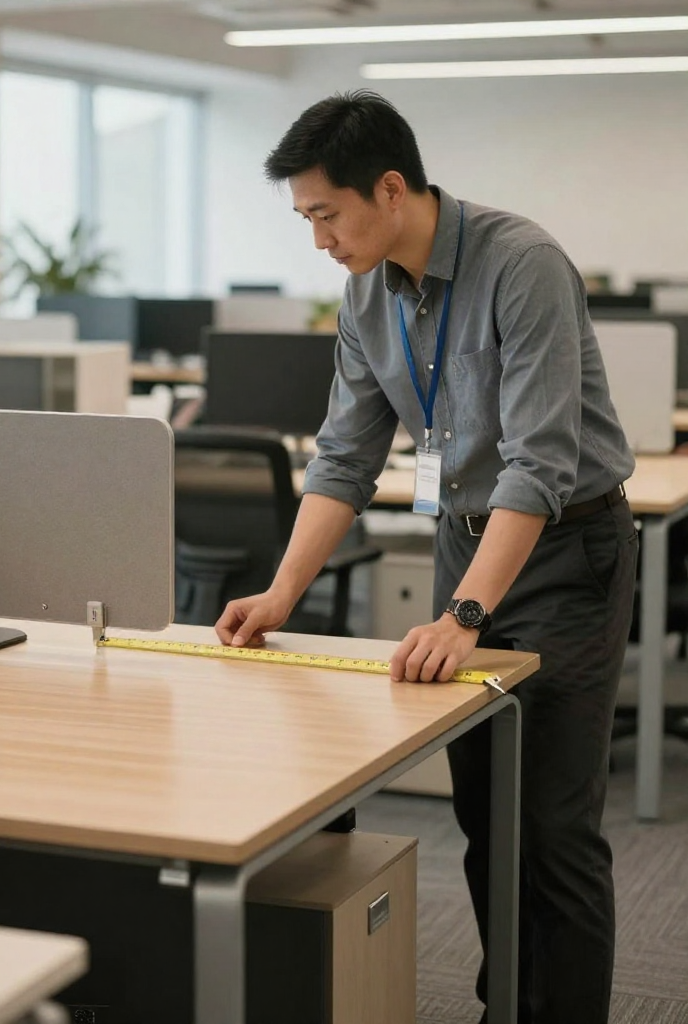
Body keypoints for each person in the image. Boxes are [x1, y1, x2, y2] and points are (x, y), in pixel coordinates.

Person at [215, 90, 638, 1024]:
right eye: (305, 219)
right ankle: (509, 1005)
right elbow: (345, 457)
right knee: (488, 816)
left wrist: (466, 616)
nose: (318, 238)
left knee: (554, 827)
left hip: (566, 550)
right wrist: (283, 590)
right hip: (466, 542)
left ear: (392, 188)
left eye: (327, 213)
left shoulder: (520, 264)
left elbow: (541, 462)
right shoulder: (368, 292)